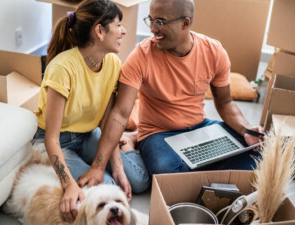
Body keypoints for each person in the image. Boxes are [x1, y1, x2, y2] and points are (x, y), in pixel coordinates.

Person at [77, 0, 266, 185]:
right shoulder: (141, 55)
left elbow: (225, 103)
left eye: (160, 22)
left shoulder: (214, 51)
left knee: (259, 152)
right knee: (164, 169)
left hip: (199, 128)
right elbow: (120, 113)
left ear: (185, 23)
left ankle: (192, 180)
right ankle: (210, 178)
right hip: (158, 134)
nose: (152, 28)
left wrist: (245, 129)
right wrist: (98, 167)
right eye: (150, 20)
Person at [32, 0, 150, 223]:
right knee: (109, 189)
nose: (123, 30)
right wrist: (68, 185)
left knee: (139, 180)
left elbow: (108, 121)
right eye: (118, 24)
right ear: (99, 31)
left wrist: (117, 167)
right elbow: (51, 137)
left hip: (87, 134)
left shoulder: (113, 63)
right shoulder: (61, 68)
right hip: (58, 142)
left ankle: (129, 143)